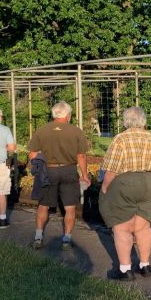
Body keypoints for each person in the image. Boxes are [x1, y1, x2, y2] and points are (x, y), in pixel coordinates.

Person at [99, 107, 151, 280]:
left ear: (125, 122)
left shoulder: (120, 139)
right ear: (144, 121)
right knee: (143, 226)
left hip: (125, 183)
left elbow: (111, 169)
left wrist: (105, 187)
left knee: (122, 227)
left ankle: (125, 270)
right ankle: (145, 265)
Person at [27, 101, 90, 250]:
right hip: (68, 171)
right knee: (69, 207)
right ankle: (67, 239)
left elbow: (33, 153)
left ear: (54, 114)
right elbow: (81, 156)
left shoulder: (42, 130)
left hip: (48, 171)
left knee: (43, 206)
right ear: (68, 115)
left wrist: (37, 169)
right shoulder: (76, 131)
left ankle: (38, 237)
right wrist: (84, 175)